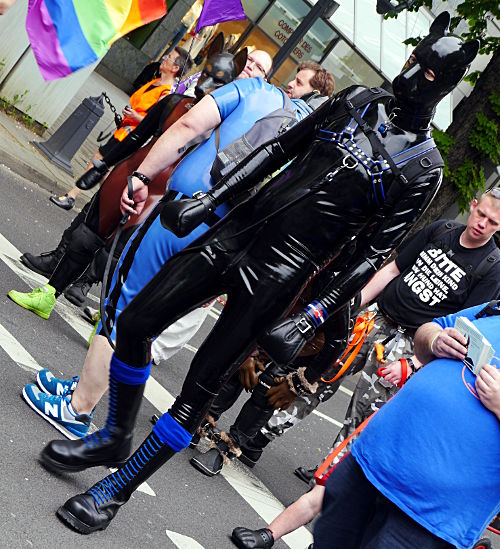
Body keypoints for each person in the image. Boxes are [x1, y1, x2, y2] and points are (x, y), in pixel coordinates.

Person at [32, 12, 478, 535]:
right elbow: (279, 149)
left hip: (283, 274)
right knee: (134, 323)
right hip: (237, 230)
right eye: (412, 59)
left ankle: (116, 488)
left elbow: (371, 256)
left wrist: (311, 315)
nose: (409, 75)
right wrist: (213, 199)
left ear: (443, 86)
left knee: (199, 389)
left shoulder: (425, 169)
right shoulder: (357, 99)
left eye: (426, 73)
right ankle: (114, 432)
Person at [18, 48, 313, 439]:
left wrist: (141, 176)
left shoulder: (251, 91)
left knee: (124, 306)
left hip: (184, 215)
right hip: (222, 237)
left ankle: (77, 409)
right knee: (146, 321)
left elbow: (189, 127)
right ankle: (85, 392)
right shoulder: (306, 132)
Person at [292, 186, 500, 484]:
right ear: (474, 204)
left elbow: (459, 328)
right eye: (481, 214)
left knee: (363, 417)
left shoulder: (492, 268)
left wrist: (414, 362)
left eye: (493, 222)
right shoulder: (441, 230)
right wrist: (349, 308)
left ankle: (326, 483)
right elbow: (392, 271)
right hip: (374, 320)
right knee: (316, 376)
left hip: (411, 345)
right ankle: (252, 439)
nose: (483, 223)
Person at [312, 300, 500, 549]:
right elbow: (429, 331)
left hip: (434, 511)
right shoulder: (494, 307)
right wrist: (436, 340)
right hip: (373, 462)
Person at [49, 46, 193, 210]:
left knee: (99, 161)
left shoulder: (166, 93)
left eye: (169, 57)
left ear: (175, 68)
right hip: (123, 130)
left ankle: (72, 196)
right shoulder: (155, 82)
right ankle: (101, 205)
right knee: (105, 168)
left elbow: (154, 122)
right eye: (167, 54)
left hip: (131, 136)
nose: (165, 58)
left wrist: (135, 117)